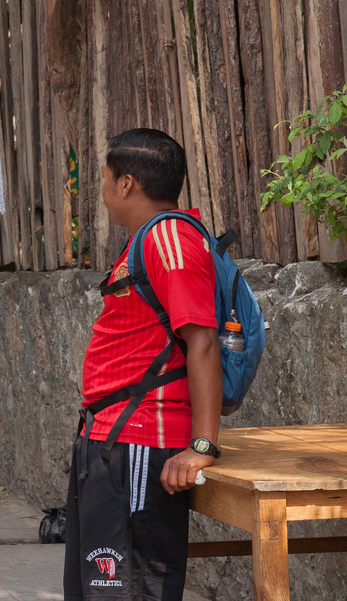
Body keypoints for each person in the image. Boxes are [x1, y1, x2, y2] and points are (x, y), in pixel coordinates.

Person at [64, 129, 221, 601]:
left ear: (127, 183)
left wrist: (202, 444)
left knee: (133, 589)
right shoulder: (149, 239)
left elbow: (204, 340)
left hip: (140, 443)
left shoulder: (170, 238)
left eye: (106, 178)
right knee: (100, 590)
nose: (104, 189)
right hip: (113, 440)